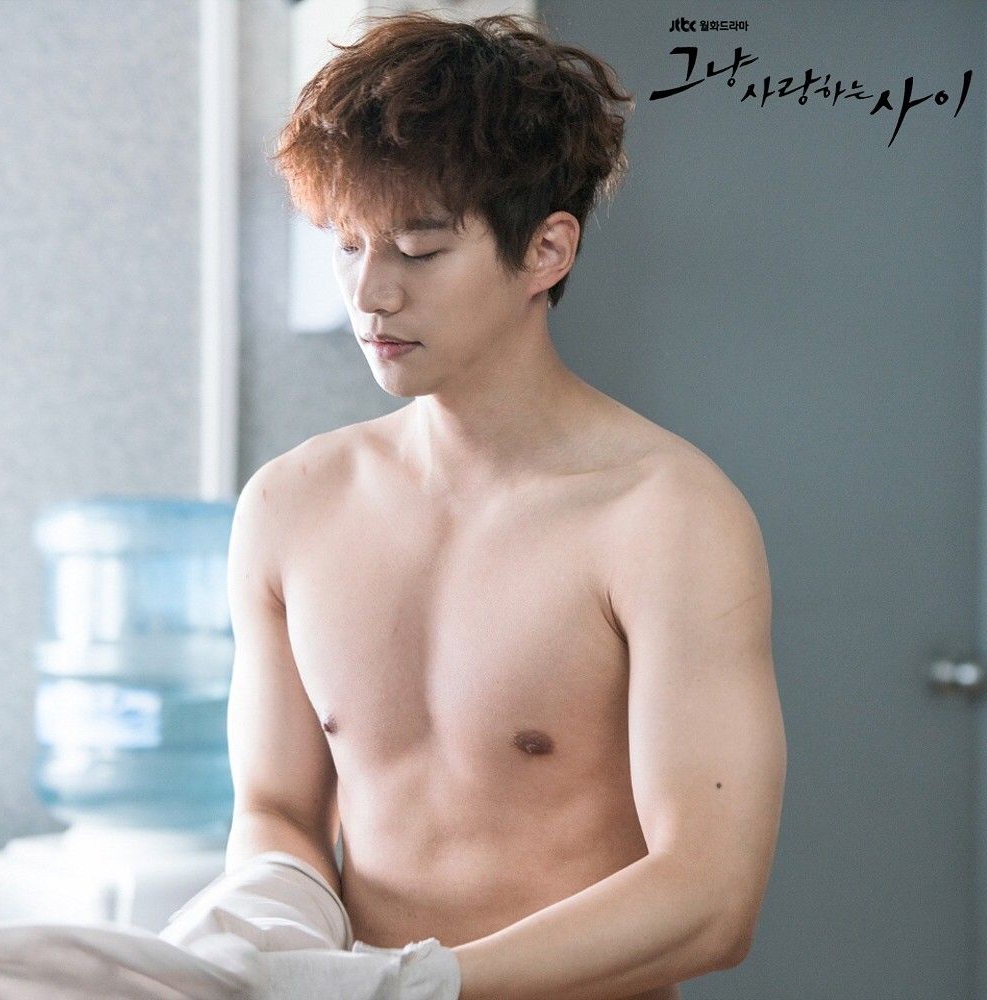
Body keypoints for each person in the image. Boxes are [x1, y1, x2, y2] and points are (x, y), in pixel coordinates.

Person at [224, 10, 787, 999]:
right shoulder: (291, 505)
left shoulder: (666, 517)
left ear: (545, 252)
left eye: (418, 249)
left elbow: (712, 896)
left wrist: (418, 986)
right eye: (347, 245)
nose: (371, 295)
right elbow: (276, 808)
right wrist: (261, 936)